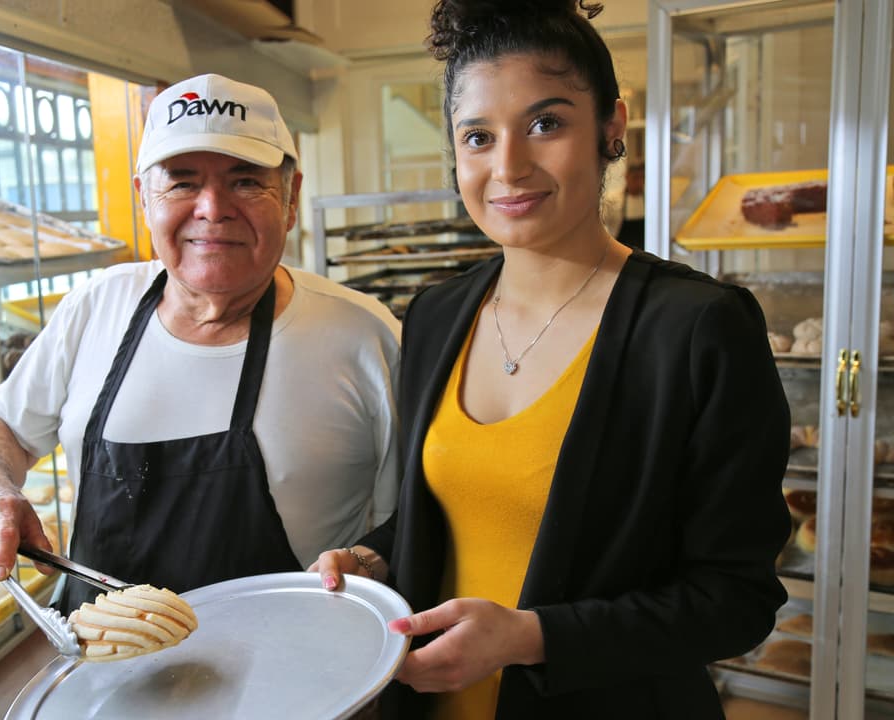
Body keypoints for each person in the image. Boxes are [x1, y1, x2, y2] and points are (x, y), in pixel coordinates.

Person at [313, 1, 791, 718]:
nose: (508, 167)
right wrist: (376, 558)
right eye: (478, 136)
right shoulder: (438, 315)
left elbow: (737, 598)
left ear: (611, 128)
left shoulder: (697, 329)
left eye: (546, 123)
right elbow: (465, 510)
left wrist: (532, 637)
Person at [0, 73, 401, 613]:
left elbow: (418, 513)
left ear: (292, 196)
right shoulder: (96, 306)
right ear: (145, 198)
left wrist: (370, 561)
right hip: (104, 675)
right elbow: (1, 431)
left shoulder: (364, 334)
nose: (212, 208)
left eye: (246, 182)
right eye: (182, 182)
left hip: (292, 680)